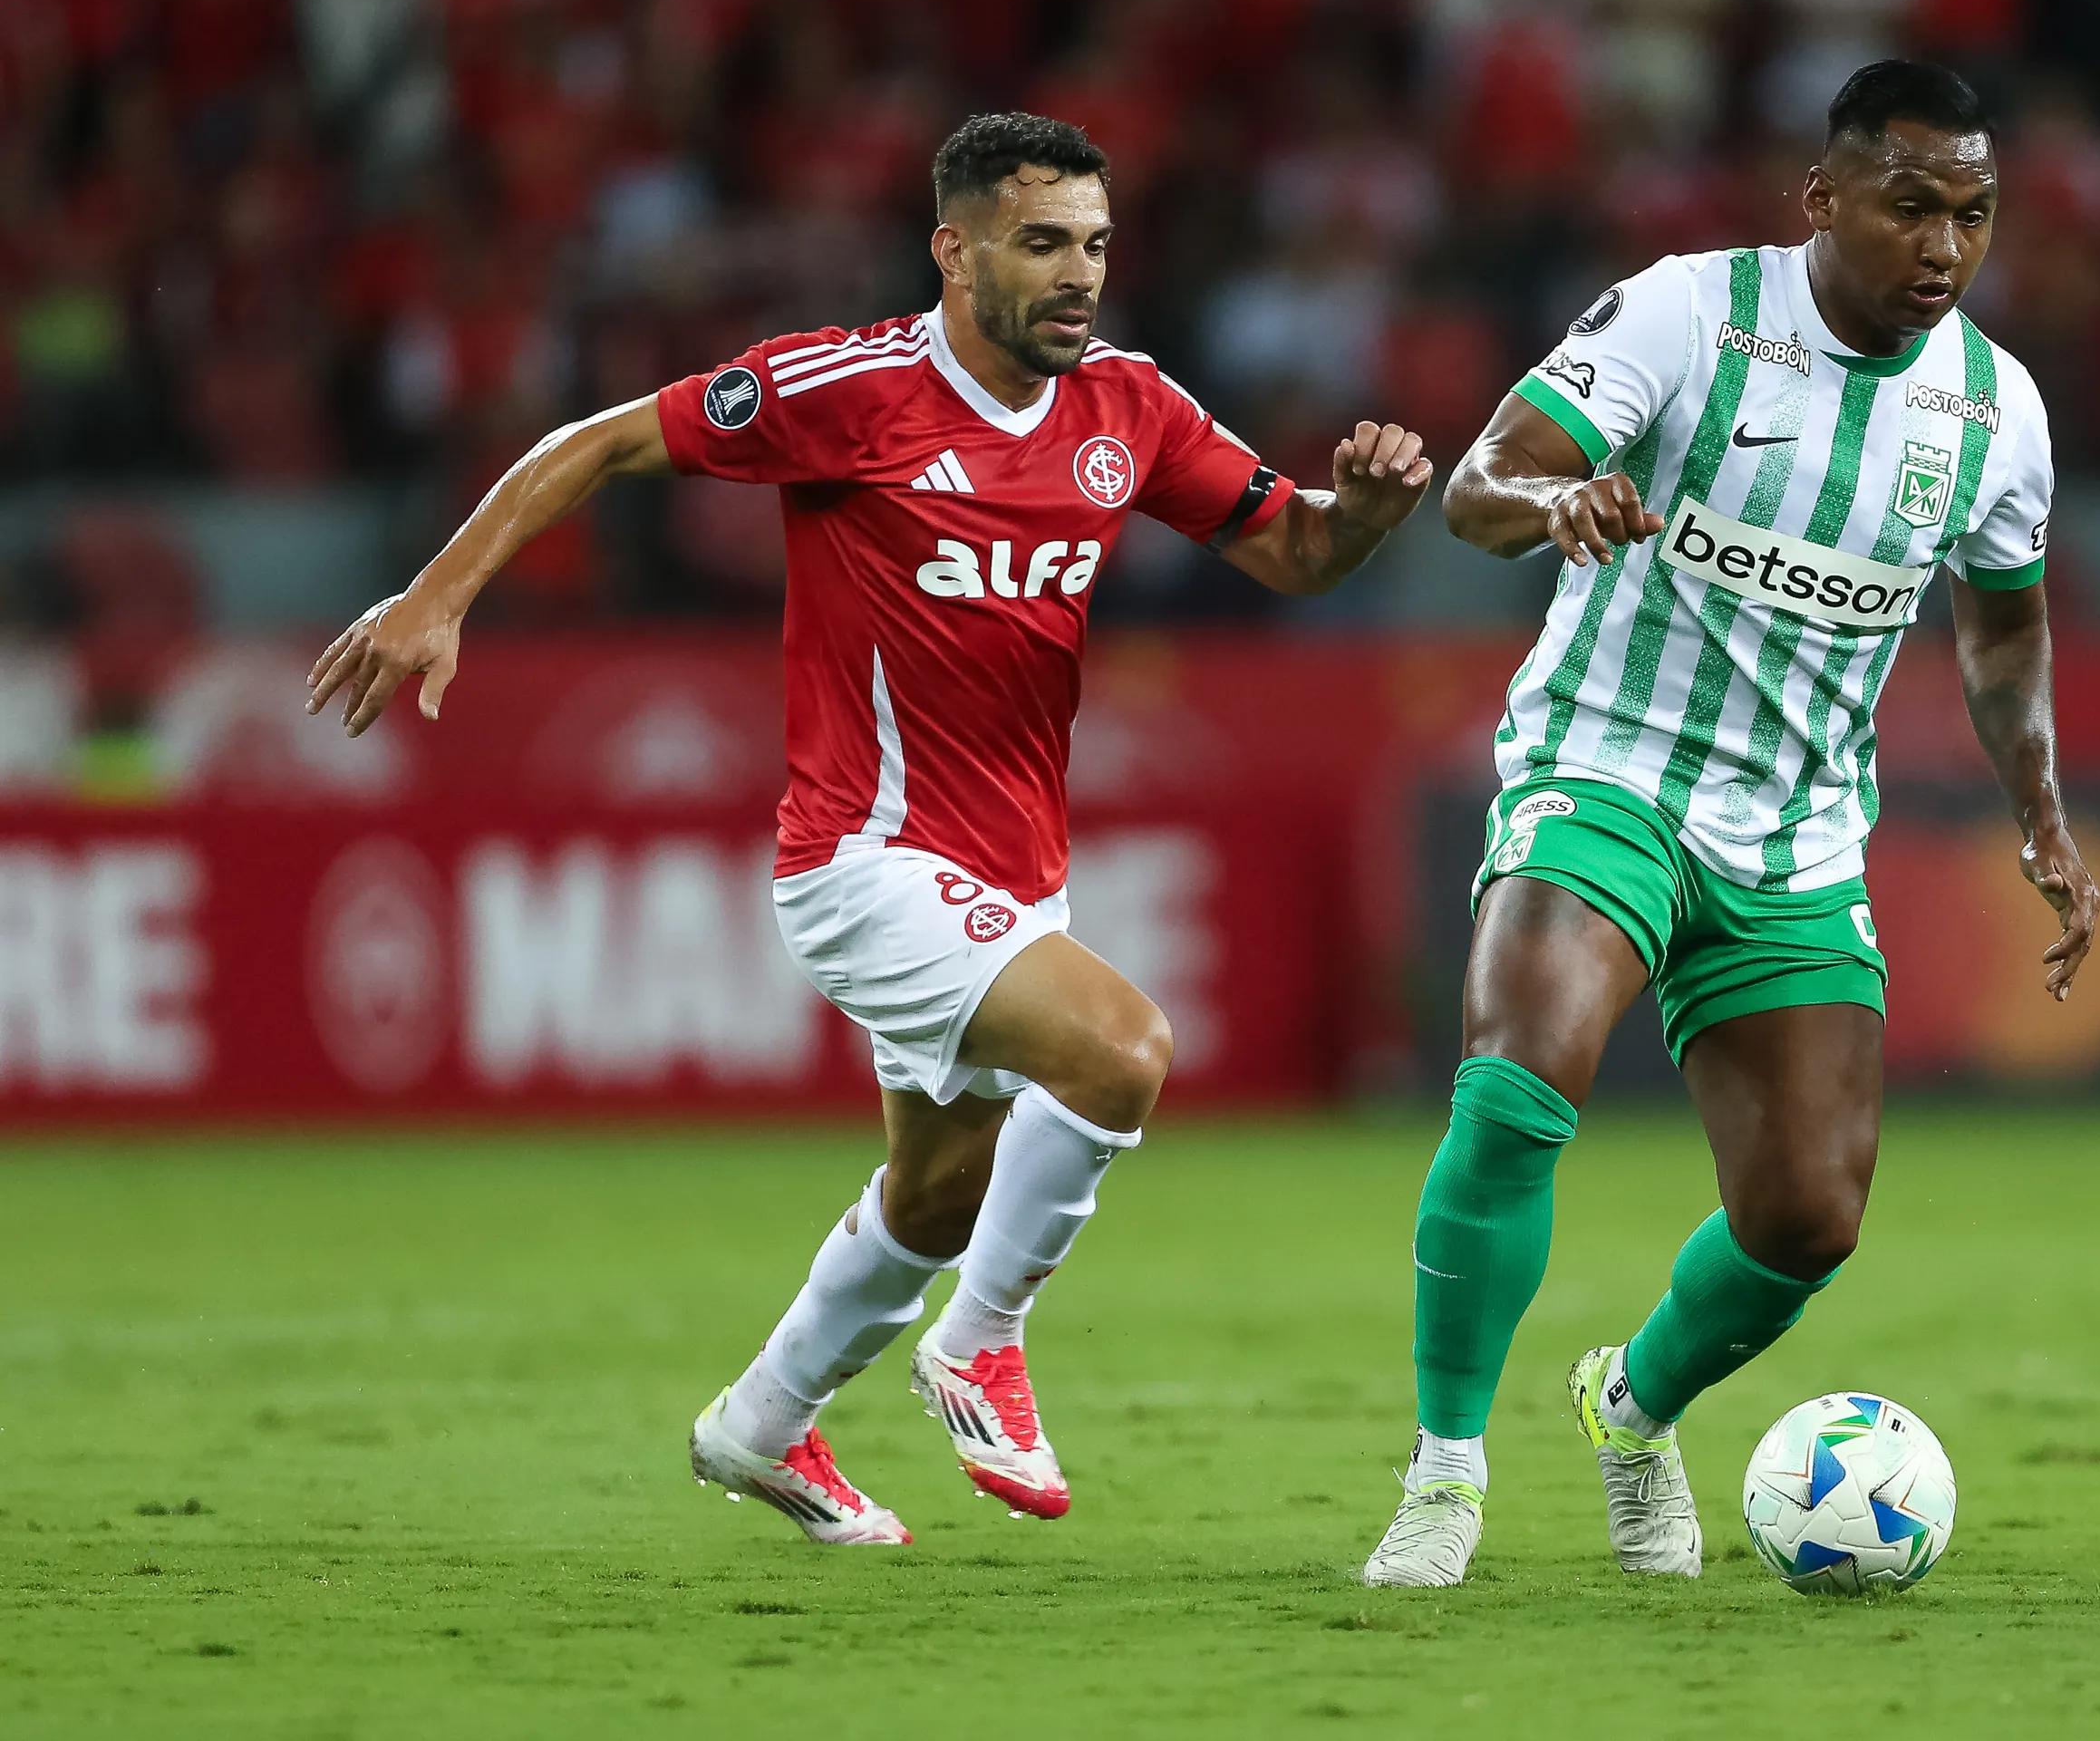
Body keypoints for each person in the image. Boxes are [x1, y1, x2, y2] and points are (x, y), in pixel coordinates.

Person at [307, 112, 1433, 1546]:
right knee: (1122, 1050)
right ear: (954, 251)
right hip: (864, 859)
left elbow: (1295, 548)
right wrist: (440, 594)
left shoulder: (1129, 406)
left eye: (1094, 242)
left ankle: (759, 1426)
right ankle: (978, 1345)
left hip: (1018, 873)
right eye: (1041, 244)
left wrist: (1372, 515)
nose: (1078, 274)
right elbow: (595, 445)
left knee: (938, 1189)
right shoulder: (849, 389)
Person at [1360, 61, 2100, 1588]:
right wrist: (1557, 505)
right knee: (1515, 1084)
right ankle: (1443, 1474)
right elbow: (1486, 479)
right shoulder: (1689, 314)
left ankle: (1629, 1410)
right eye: (1911, 207)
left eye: (1971, 214)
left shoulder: (1997, 409)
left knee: (1810, 1217)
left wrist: (2041, 814)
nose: (1944, 246)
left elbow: (2005, 632)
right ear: (1823, 199)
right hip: (1608, 760)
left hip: (1801, 831)